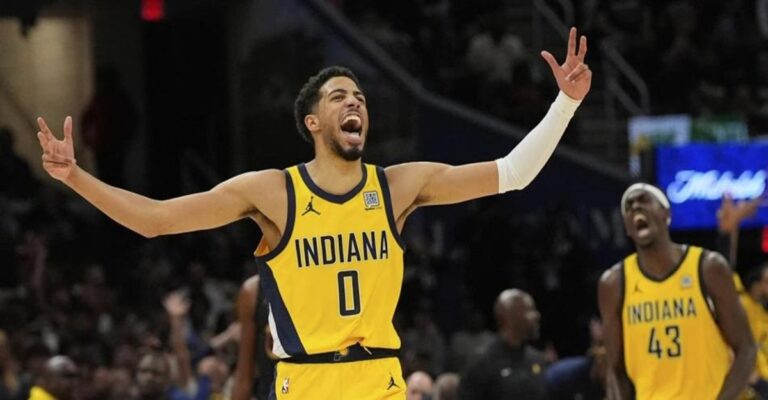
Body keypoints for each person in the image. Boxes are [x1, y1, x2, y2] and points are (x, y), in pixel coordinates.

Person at [35, 27, 592, 399]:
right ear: (313, 123)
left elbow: (514, 171)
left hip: (380, 379)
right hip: (307, 381)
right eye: (339, 97)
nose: (356, 102)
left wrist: (564, 102)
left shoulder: (398, 186)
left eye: (361, 98)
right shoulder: (273, 192)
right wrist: (76, 176)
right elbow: (156, 219)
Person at [598, 183, 756, 400]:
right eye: (629, 206)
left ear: (666, 214)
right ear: (627, 227)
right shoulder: (614, 283)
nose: (635, 207)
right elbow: (615, 370)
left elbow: (746, 349)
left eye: (643, 200)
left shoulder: (708, 268)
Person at [459, 289, 548, 400]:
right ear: (509, 316)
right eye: (529, 310)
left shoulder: (536, 359)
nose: (537, 315)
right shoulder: (481, 363)